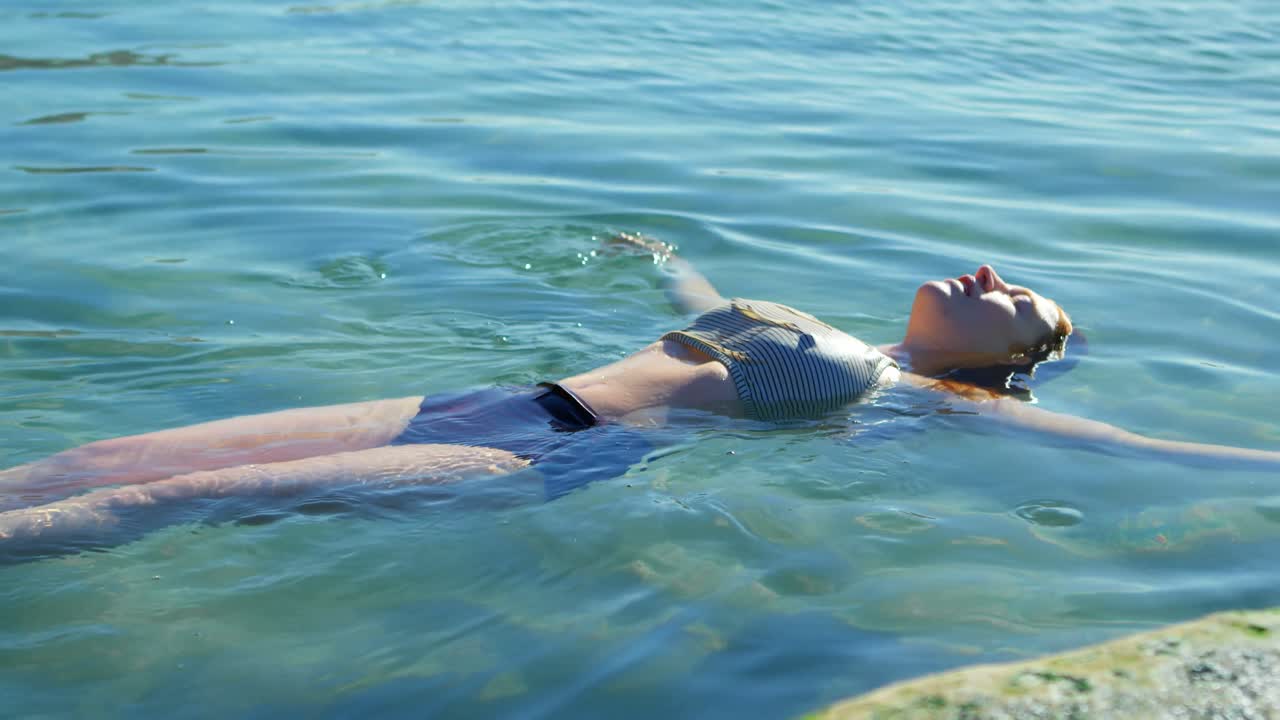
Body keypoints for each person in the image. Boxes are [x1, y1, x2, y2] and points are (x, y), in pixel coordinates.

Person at [1, 233, 1277, 554]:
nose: (988, 275)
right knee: (104, 460)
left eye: (1018, 297)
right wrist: (661, 257)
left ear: (1015, 357)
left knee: (155, 505)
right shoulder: (830, 329)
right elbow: (703, 306)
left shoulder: (927, 397)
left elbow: (1125, 448)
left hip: (542, 455)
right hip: (483, 398)